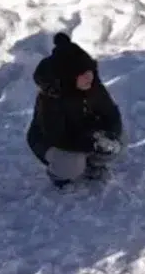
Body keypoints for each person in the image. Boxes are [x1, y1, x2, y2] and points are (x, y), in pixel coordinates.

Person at [26, 34, 125, 189]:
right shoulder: (52, 99)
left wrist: (110, 135)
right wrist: (93, 144)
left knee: (121, 140)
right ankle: (59, 175)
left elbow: (111, 114)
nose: (88, 77)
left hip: (85, 135)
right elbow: (58, 136)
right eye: (81, 74)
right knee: (73, 164)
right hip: (51, 143)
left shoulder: (94, 88)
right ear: (68, 78)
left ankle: (93, 165)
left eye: (89, 71)